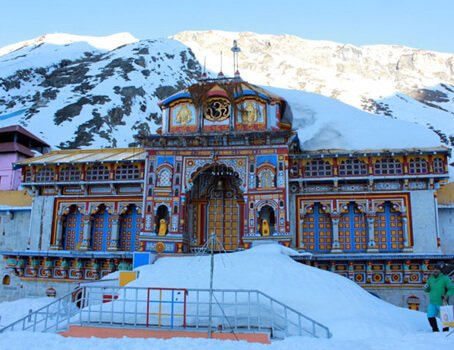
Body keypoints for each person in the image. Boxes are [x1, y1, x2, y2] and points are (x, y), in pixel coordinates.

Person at [424, 262, 454, 332]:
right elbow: (427, 290)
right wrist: (426, 288)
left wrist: (447, 295)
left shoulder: (445, 279)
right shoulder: (430, 279)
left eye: (437, 269)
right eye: (434, 269)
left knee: (444, 318)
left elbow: (451, 288)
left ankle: (445, 331)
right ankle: (435, 330)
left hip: (442, 302)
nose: (435, 271)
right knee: (430, 316)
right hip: (432, 302)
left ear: (441, 271)